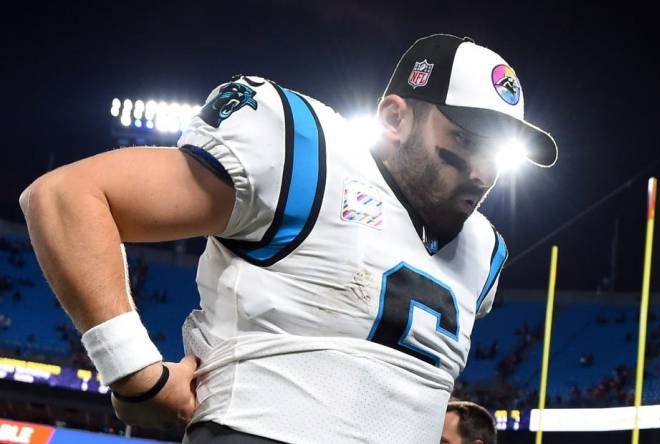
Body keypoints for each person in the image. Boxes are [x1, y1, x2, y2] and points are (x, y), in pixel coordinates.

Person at [19, 34, 557, 443]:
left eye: (496, 154)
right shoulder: (306, 153)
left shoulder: (483, 252)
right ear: (395, 118)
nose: (482, 174)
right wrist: (133, 371)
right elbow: (68, 196)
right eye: (463, 140)